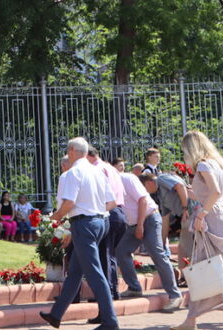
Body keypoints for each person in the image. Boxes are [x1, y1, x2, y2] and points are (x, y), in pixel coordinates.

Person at [170, 130, 223, 330]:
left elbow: (216, 191)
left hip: (211, 217)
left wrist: (203, 214)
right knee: (205, 265)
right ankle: (192, 320)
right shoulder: (219, 163)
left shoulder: (204, 164)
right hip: (220, 216)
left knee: (217, 268)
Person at [38, 137, 118, 330]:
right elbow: (112, 202)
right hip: (101, 221)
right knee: (75, 271)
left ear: (72, 151)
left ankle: (110, 321)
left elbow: (69, 203)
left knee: (94, 273)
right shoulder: (98, 171)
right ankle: (56, 315)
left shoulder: (73, 173)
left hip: (84, 224)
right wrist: (94, 211)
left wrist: (55, 218)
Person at [114, 167, 182, 312]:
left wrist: (140, 226)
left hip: (149, 219)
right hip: (134, 224)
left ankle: (174, 295)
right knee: (121, 251)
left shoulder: (127, 179)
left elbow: (143, 201)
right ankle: (134, 288)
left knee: (157, 253)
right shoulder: (108, 183)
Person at [140, 172, 194, 281]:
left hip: (192, 213)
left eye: (144, 188)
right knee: (183, 247)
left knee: (190, 247)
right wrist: (162, 243)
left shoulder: (162, 179)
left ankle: (191, 277)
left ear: (149, 183)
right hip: (186, 217)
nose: (145, 192)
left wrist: (184, 209)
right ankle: (184, 276)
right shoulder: (159, 196)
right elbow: (165, 219)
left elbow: (180, 186)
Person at [89, 146, 126, 301]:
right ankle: (113, 290)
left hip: (107, 211)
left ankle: (106, 293)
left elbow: (99, 194)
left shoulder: (97, 169)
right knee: (109, 254)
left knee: (104, 254)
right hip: (119, 212)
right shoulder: (110, 168)